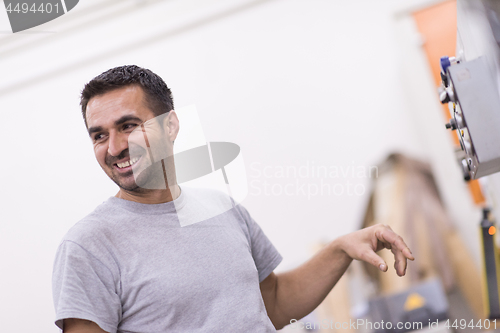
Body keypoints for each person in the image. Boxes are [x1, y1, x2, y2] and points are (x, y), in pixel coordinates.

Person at [52, 65, 414, 333]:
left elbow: (271, 303)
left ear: (170, 125)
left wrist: (341, 249)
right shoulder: (88, 246)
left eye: (128, 126)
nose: (114, 148)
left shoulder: (221, 208)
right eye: (99, 136)